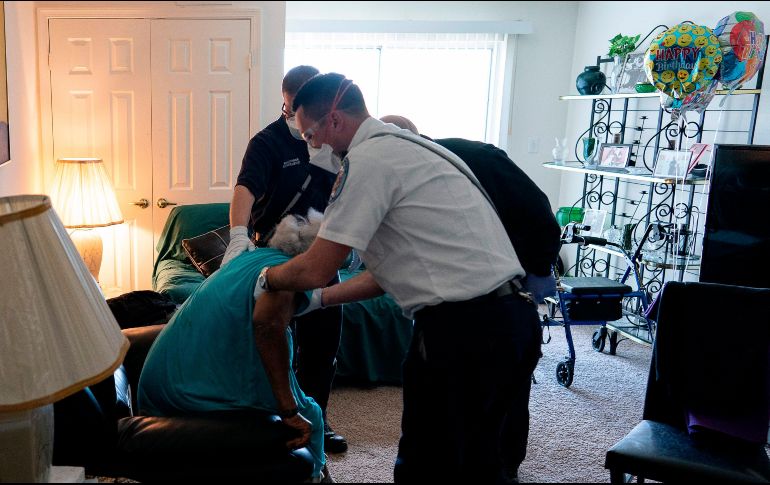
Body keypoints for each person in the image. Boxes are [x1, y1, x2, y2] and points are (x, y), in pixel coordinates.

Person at [251, 73, 543, 483]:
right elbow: (390, 273)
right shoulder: (416, 148)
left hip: (463, 333)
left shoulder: (368, 161)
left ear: (334, 120)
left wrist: (266, 277)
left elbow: (317, 267)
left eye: (311, 136)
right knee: (481, 462)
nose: (312, 147)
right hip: (512, 321)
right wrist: (318, 301)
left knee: (425, 466)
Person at [379, 114, 557, 482]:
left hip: (494, 294)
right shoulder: (416, 175)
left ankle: (503, 466)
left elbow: (539, 214)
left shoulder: (472, 157)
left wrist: (534, 270)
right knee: (464, 409)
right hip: (477, 306)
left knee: (484, 405)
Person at [137, 210, 329, 480]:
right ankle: (314, 475)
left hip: (157, 388)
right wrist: (291, 409)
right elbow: (267, 334)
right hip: (184, 403)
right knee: (312, 415)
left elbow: (319, 298)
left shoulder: (250, 260)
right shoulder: (286, 281)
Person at [222, 65, 347, 453]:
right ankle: (274, 415)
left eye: (303, 112)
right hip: (274, 255)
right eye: (291, 109)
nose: (299, 121)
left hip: (321, 251)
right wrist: (238, 235)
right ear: (286, 100)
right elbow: (246, 189)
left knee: (324, 341)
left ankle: (318, 419)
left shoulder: (330, 139)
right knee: (267, 335)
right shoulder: (268, 142)